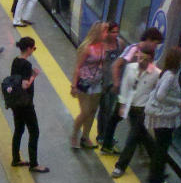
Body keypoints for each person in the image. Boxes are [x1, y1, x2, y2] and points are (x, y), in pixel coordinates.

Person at [103, 27, 165, 150]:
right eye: (155, 43)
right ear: (148, 39)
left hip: (136, 94)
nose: (155, 47)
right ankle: (108, 143)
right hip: (126, 91)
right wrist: (117, 84)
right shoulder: (134, 49)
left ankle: (110, 143)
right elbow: (116, 65)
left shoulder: (147, 52)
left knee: (130, 122)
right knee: (118, 118)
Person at [110, 46, 160, 178]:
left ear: (150, 59)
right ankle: (158, 159)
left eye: (144, 58)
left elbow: (158, 93)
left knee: (132, 138)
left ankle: (120, 166)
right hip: (131, 108)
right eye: (139, 56)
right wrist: (122, 104)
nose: (140, 60)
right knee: (143, 136)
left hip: (144, 110)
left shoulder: (156, 73)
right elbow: (125, 87)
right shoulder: (130, 68)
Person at [145, 48, 181, 183]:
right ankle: (157, 178)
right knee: (162, 149)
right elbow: (160, 95)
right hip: (164, 119)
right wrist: (178, 103)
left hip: (161, 118)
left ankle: (156, 173)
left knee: (160, 147)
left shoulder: (166, 73)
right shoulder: (170, 76)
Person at [7, 37, 49, 173]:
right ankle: (34, 164)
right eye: (34, 48)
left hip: (15, 102)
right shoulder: (26, 65)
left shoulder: (15, 61)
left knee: (18, 129)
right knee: (34, 131)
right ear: (29, 48)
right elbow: (25, 85)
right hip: (25, 103)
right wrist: (34, 75)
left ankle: (16, 159)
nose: (33, 51)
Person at [70, 21, 109, 149]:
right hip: (84, 83)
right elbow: (77, 67)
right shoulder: (87, 47)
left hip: (97, 83)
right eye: (104, 31)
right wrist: (74, 85)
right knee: (85, 111)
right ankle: (74, 134)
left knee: (92, 111)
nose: (106, 34)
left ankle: (85, 137)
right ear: (97, 32)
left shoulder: (103, 46)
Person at [96, 22, 128, 153]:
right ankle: (101, 134)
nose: (115, 35)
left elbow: (122, 61)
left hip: (114, 81)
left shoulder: (120, 44)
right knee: (104, 109)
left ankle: (106, 135)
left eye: (116, 32)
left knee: (110, 108)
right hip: (102, 81)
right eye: (112, 32)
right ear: (107, 32)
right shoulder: (101, 45)